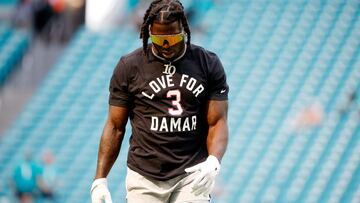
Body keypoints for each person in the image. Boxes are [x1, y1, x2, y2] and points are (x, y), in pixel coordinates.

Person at [91, 0, 229, 202]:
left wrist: (213, 160)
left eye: (171, 39)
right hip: (145, 175)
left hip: (192, 172)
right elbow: (115, 126)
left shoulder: (207, 63)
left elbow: (217, 121)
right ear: (148, 32)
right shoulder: (130, 67)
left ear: (183, 30)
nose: (165, 46)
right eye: (158, 39)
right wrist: (100, 180)